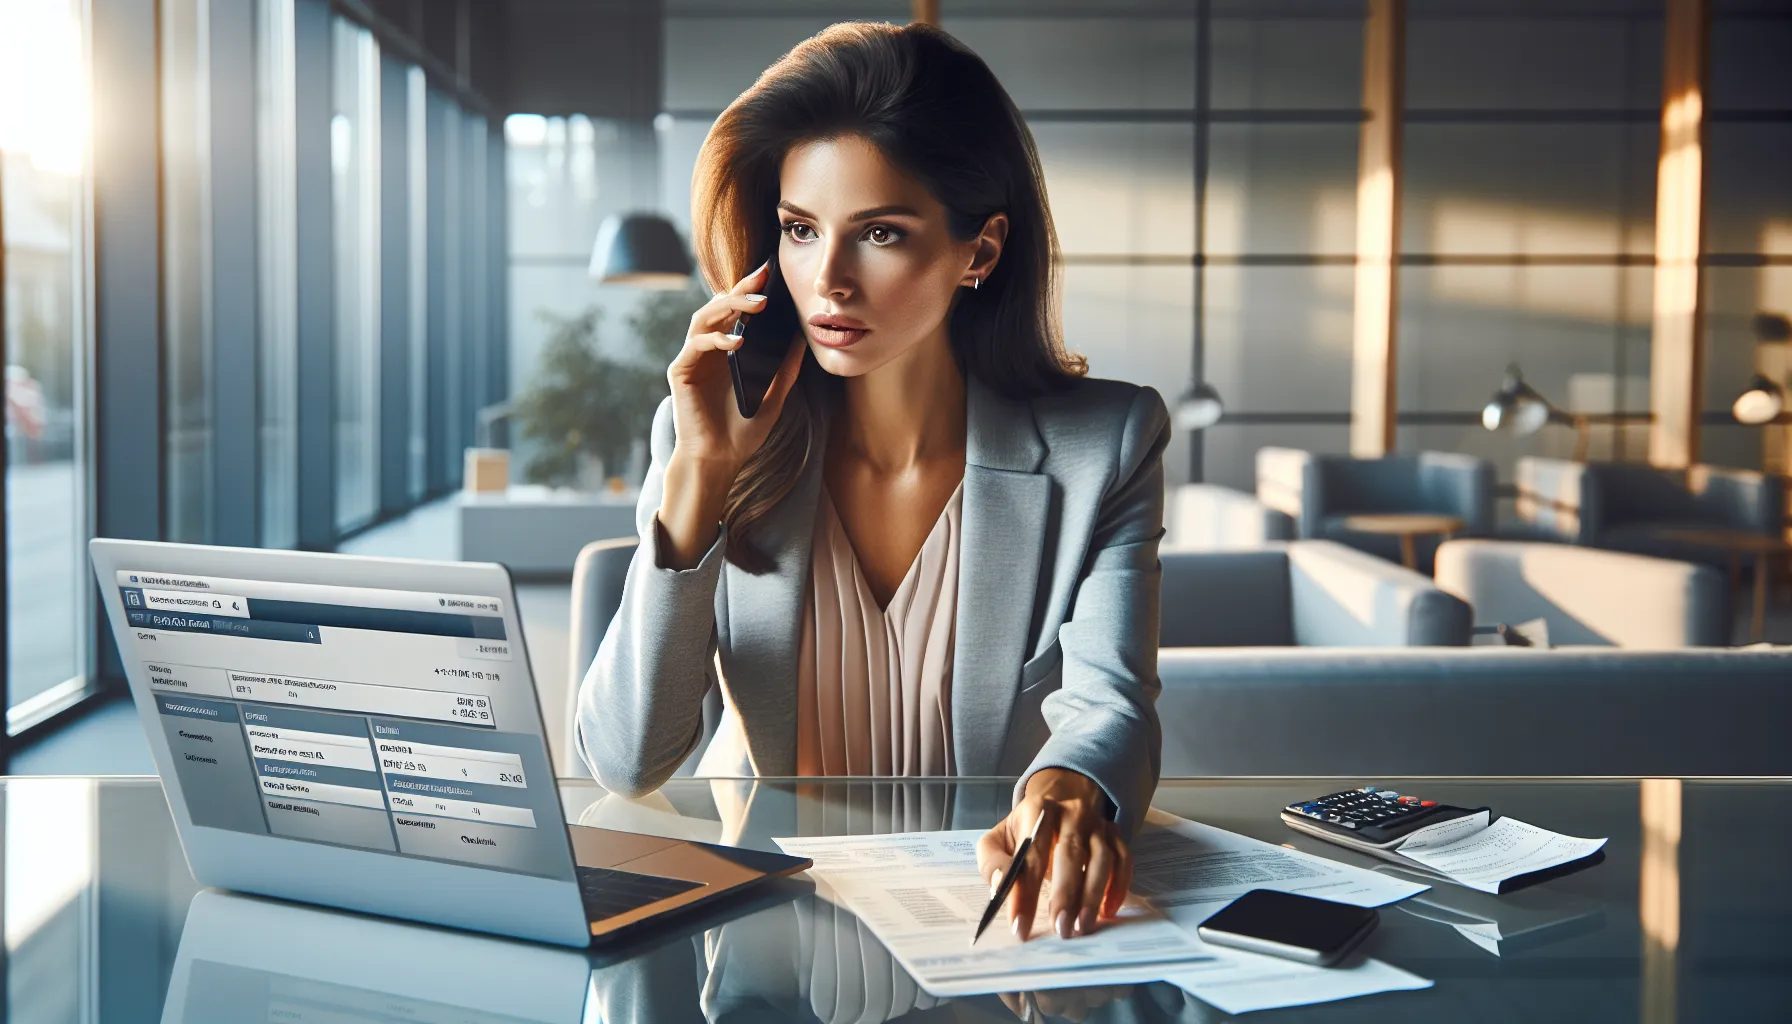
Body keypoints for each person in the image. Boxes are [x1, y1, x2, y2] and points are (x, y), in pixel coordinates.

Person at [577, 20, 1168, 944]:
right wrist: (700, 474)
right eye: (800, 231)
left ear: (980, 250)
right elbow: (628, 762)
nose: (829, 281)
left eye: (881, 233)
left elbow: (1110, 704)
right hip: (771, 942)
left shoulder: (1107, 445)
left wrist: (1065, 789)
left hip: (993, 933)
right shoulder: (702, 435)